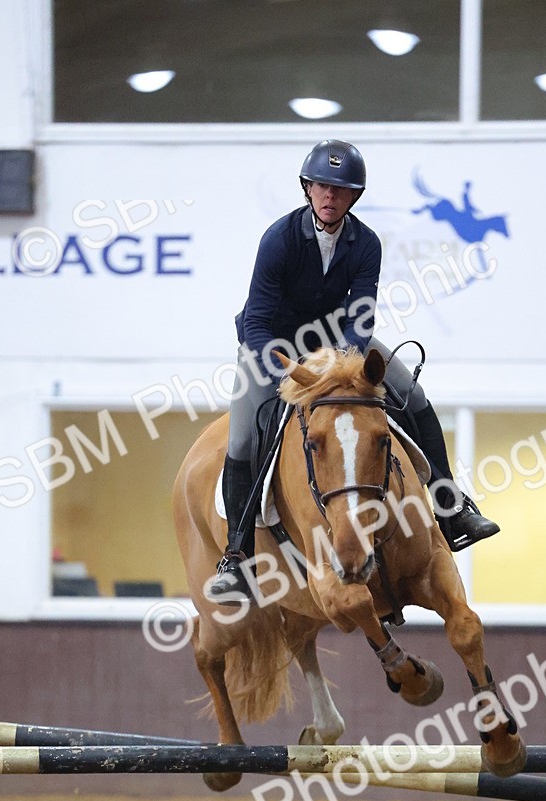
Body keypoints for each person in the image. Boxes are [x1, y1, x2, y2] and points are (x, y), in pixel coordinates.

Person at [208, 139, 499, 603]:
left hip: (335, 342)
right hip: (273, 345)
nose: (329, 196)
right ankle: (236, 557)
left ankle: (450, 504)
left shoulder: (365, 243)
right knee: (244, 436)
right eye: (322, 186)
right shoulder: (278, 240)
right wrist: (293, 373)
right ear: (307, 188)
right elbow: (258, 322)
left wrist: (342, 369)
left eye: (340, 190)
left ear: (353, 197)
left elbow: (359, 319)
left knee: (413, 397)